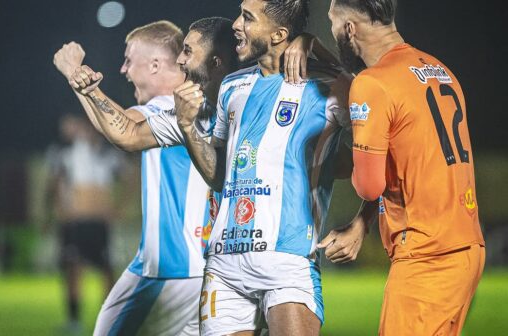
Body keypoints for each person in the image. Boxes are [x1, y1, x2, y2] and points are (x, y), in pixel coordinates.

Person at [175, 1, 376, 335]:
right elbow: (220, 177)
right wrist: (187, 127)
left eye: (248, 18)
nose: (236, 24)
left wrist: (361, 224)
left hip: (288, 260)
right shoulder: (232, 87)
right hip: (225, 264)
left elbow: (378, 148)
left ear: (280, 34)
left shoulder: (329, 87)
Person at [53, 19, 238, 335]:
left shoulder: (170, 107)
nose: (123, 70)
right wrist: (78, 82)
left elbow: (124, 130)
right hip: (173, 267)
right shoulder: (202, 105)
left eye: (129, 60)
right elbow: (119, 128)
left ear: (155, 65)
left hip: (174, 269)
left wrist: (75, 73)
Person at [327, 0, 486, 335]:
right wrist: (362, 222)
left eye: (332, 22)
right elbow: (404, 165)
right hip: (467, 249)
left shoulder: (371, 84)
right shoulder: (439, 69)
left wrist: (353, 119)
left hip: (427, 258)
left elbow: (368, 185)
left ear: (349, 29)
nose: (331, 31)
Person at [44, 113, 121, 334]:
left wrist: (118, 207)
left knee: (106, 269)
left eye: (71, 123)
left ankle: (110, 317)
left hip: (99, 222)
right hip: (75, 221)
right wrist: (59, 210)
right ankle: (74, 319)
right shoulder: (63, 152)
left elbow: (128, 176)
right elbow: (56, 183)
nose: (67, 128)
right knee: (73, 268)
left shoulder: (106, 151)